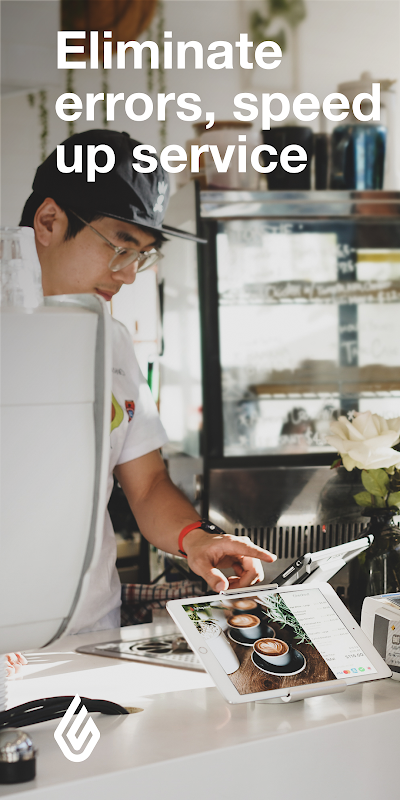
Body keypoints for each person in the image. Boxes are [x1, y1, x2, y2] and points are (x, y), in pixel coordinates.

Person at [16, 128, 277, 636]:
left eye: (142, 254)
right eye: (120, 246)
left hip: (91, 633)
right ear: (48, 221)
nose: (129, 274)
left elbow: (149, 485)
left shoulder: (110, 341)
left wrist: (197, 539)